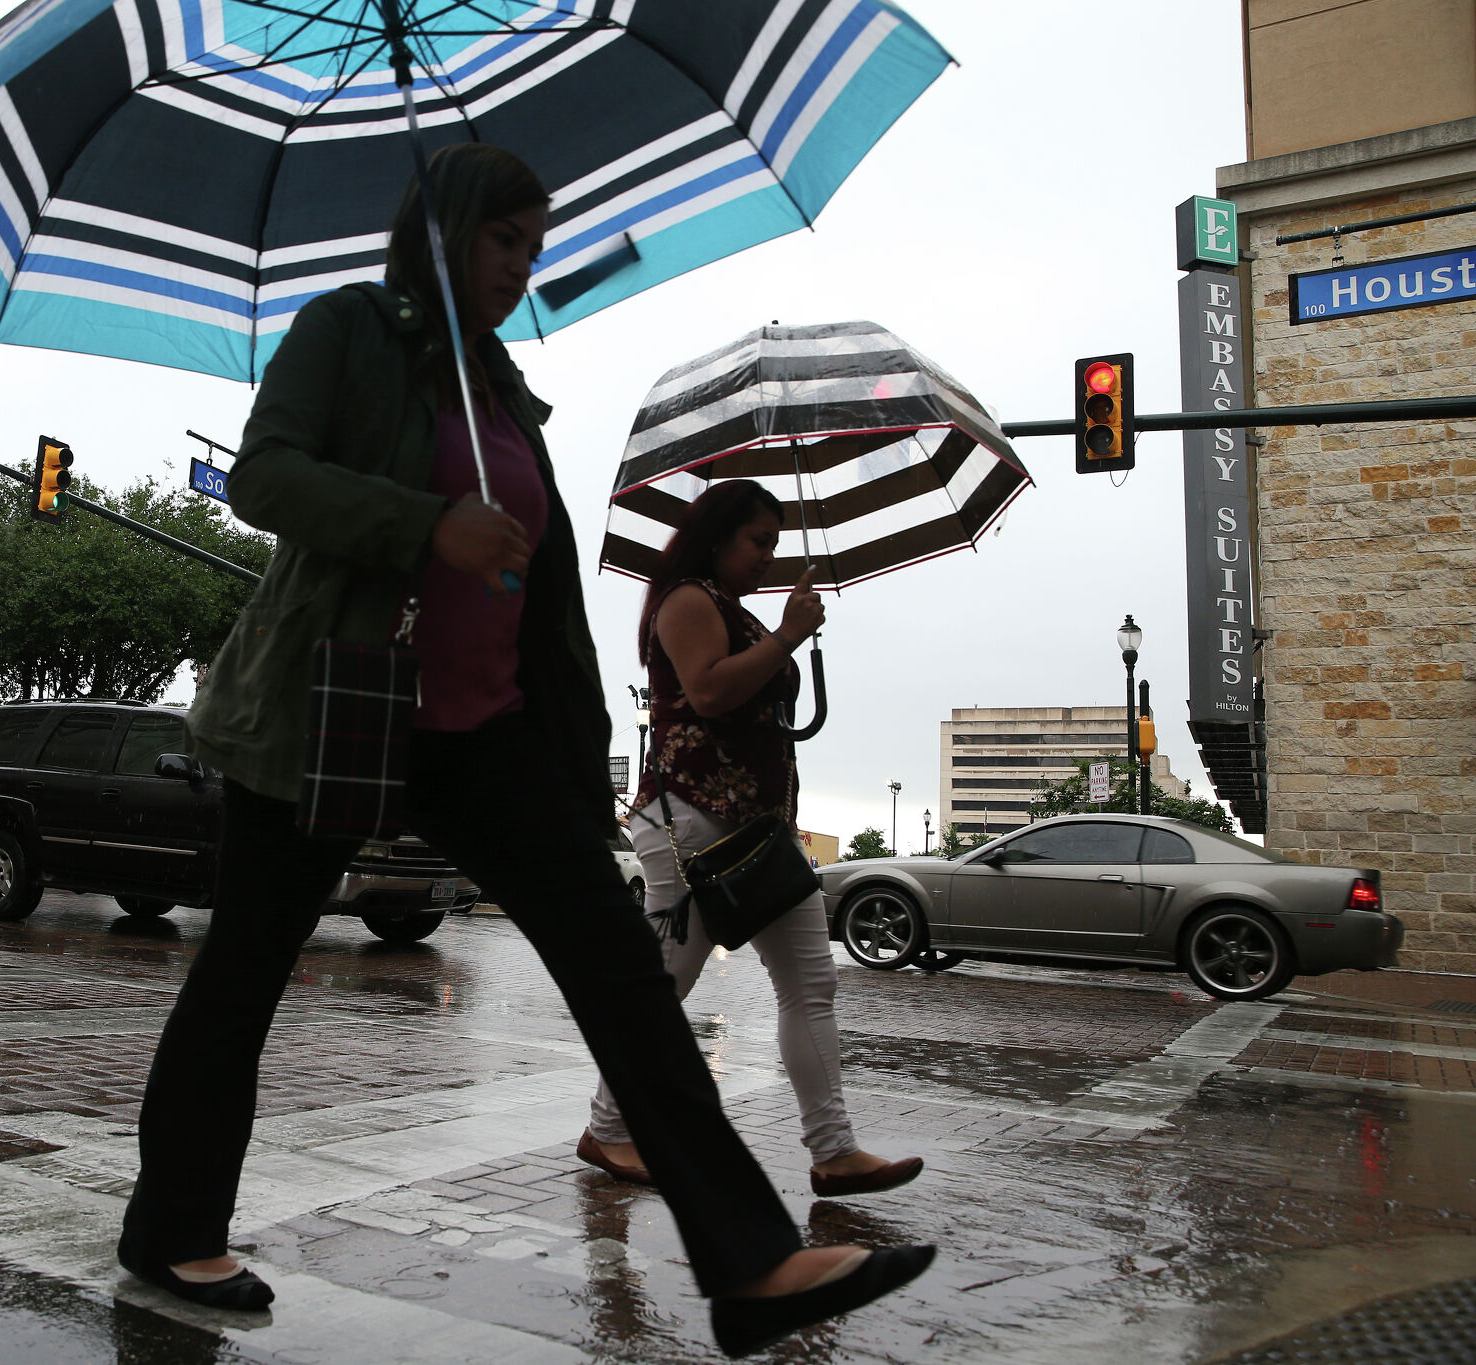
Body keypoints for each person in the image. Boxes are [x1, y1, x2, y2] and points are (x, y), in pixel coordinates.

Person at [115, 144, 933, 1356]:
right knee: (243, 974)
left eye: (534, 247)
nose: (521, 267)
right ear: (442, 232)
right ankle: (171, 1229)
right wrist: (422, 523)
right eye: (504, 240)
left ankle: (751, 1263)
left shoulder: (500, 391)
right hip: (330, 710)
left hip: (481, 731)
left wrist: (578, 756)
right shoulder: (349, 329)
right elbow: (265, 476)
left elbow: (539, 596)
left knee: (617, 967)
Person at [579, 482, 924, 1201]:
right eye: (757, 540)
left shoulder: (734, 610)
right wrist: (788, 637)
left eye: (774, 542)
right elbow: (706, 691)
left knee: (811, 983)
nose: (768, 556)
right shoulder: (685, 600)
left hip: (756, 832)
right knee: (664, 987)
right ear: (716, 535)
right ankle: (609, 1129)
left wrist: (785, 638)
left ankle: (833, 1152)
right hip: (692, 822)